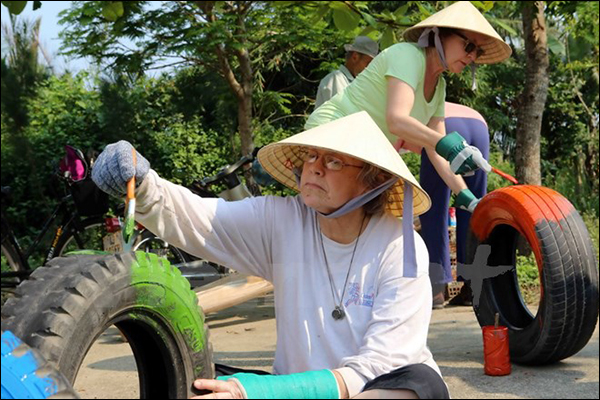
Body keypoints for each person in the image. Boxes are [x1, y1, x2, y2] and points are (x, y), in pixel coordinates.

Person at [91, 112, 451, 399]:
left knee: (419, 384)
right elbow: (202, 220)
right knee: (192, 375)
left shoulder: (400, 247)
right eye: (312, 156)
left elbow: (380, 366)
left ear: (373, 182)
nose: (315, 167)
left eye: (335, 162)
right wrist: (144, 184)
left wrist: (261, 392)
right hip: (293, 390)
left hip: (369, 389)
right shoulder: (282, 219)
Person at [306, 1, 511, 308]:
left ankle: (347, 305)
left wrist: (467, 197)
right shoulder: (406, 56)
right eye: (468, 46)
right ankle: (318, 299)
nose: (471, 57)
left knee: (368, 229)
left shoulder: (438, 87)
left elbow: (435, 149)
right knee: (341, 230)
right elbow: (397, 120)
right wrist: (445, 143)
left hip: (366, 154)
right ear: (440, 36)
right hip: (333, 140)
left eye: (477, 52)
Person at [421, 102, 489, 308]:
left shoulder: (395, 113)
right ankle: (472, 287)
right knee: (473, 208)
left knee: (433, 209)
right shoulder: (428, 100)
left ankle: (436, 289)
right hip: (479, 125)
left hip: (443, 127)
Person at [315, 36, 379, 109]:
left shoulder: (356, 82)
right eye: (368, 63)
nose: (369, 68)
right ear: (355, 57)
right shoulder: (336, 79)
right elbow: (342, 112)